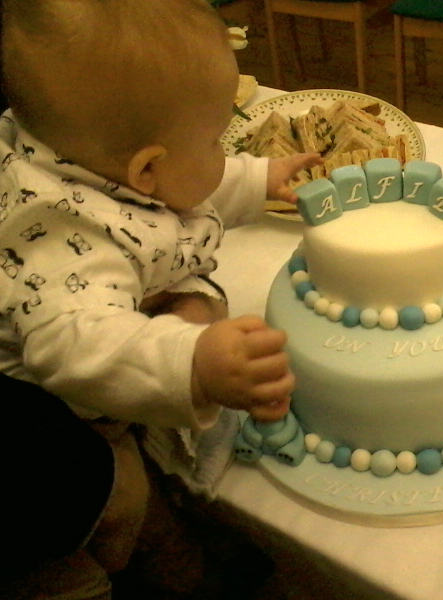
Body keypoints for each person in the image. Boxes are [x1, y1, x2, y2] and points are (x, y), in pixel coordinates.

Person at [0, 0, 321, 596]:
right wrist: (190, 361)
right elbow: (76, 347)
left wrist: (260, 177)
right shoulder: (68, 241)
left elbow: (183, 188)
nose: (226, 157)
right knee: (135, 539)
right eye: (220, 143)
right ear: (145, 169)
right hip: (62, 434)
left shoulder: (93, 157)